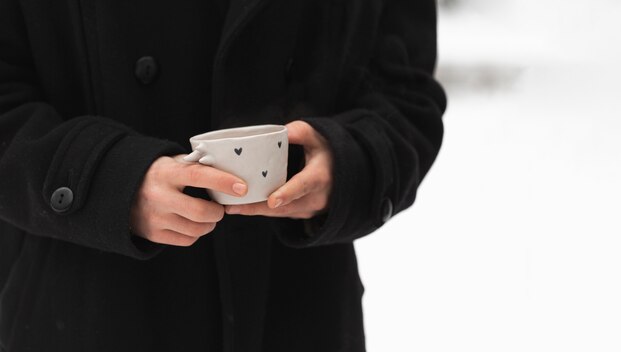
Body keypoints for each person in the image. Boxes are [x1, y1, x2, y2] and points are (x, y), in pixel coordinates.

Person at [0, 0, 446, 351]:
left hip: (297, 310)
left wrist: (350, 162)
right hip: (80, 308)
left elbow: (404, 92)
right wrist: (108, 181)